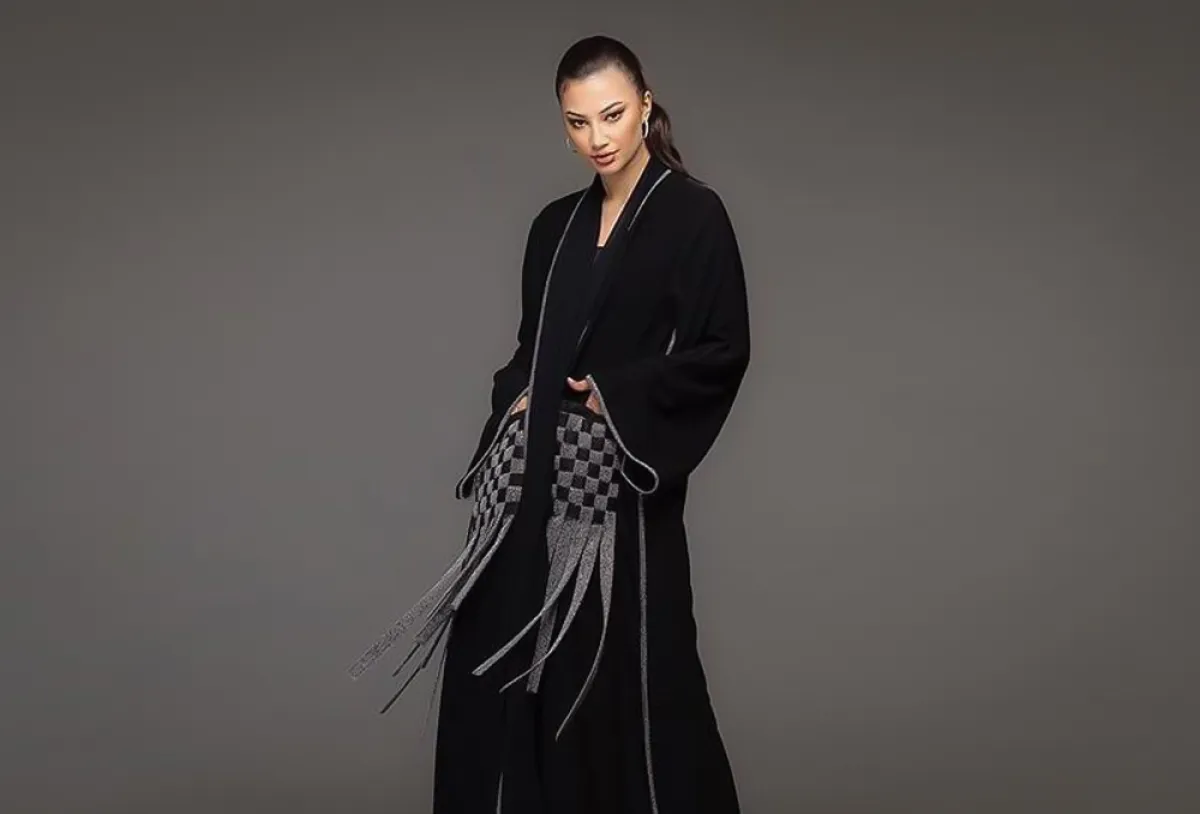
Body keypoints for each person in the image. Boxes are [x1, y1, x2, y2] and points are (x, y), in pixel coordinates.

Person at [349, 33, 750, 814]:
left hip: (621, 491)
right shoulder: (552, 227)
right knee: (514, 671)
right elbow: (529, 353)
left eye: (612, 115)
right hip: (538, 485)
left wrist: (611, 393)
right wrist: (519, 399)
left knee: (632, 680)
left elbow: (722, 348)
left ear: (645, 105)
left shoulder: (694, 214)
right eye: (577, 122)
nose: (597, 138)